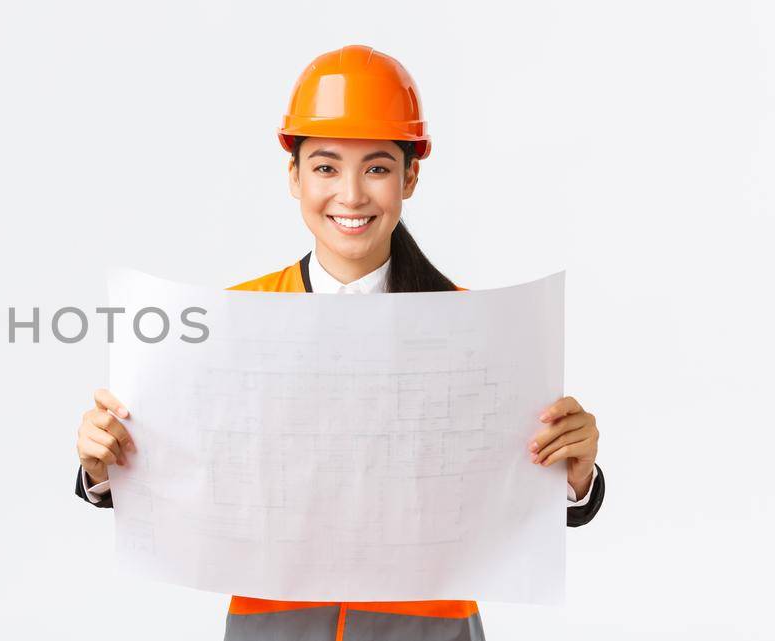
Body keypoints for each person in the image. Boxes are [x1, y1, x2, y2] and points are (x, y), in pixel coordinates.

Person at [72, 44, 604, 641]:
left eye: (376, 167)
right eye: (326, 166)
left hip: (431, 628)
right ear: (294, 175)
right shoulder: (229, 324)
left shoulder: (478, 332)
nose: (350, 195)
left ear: (411, 176)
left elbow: (516, 495)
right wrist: (102, 467)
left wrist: (576, 476)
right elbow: (181, 477)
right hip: (273, 623)